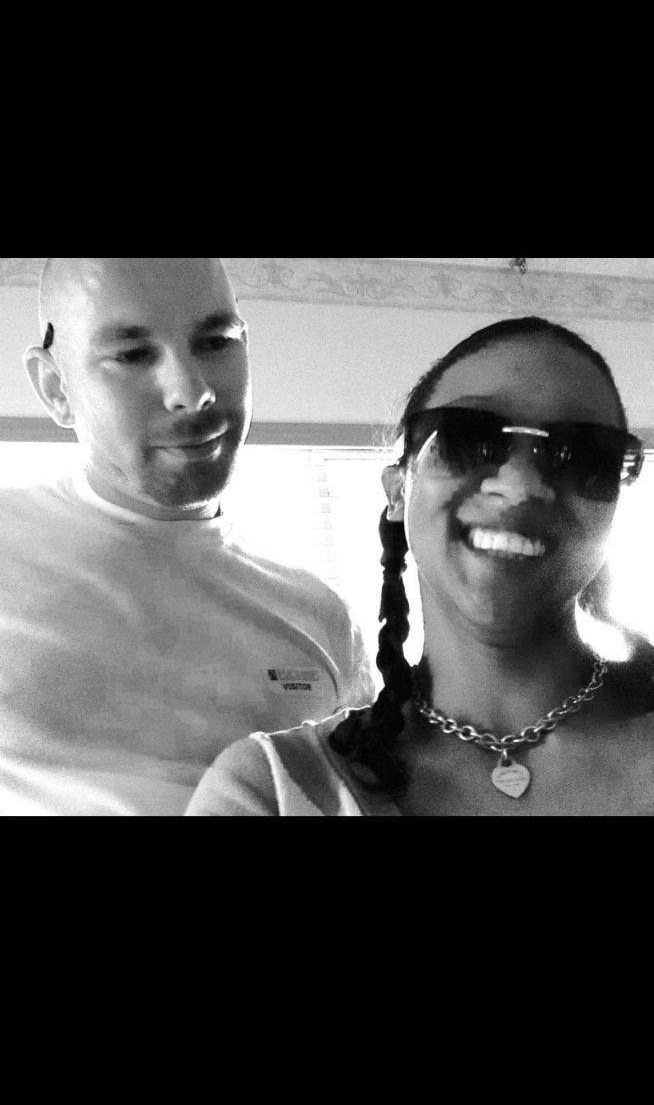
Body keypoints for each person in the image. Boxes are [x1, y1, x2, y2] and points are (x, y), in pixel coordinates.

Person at [185, 315, 654, 816]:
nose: (520, 485)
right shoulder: (269, 786)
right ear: (397, 492)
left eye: (581, 454)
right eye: (468, 440)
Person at [0, 258, 374, 814]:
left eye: (216, 342)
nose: (191, 391)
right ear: (56, 388)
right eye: (133, 354)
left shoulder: (324, 618)